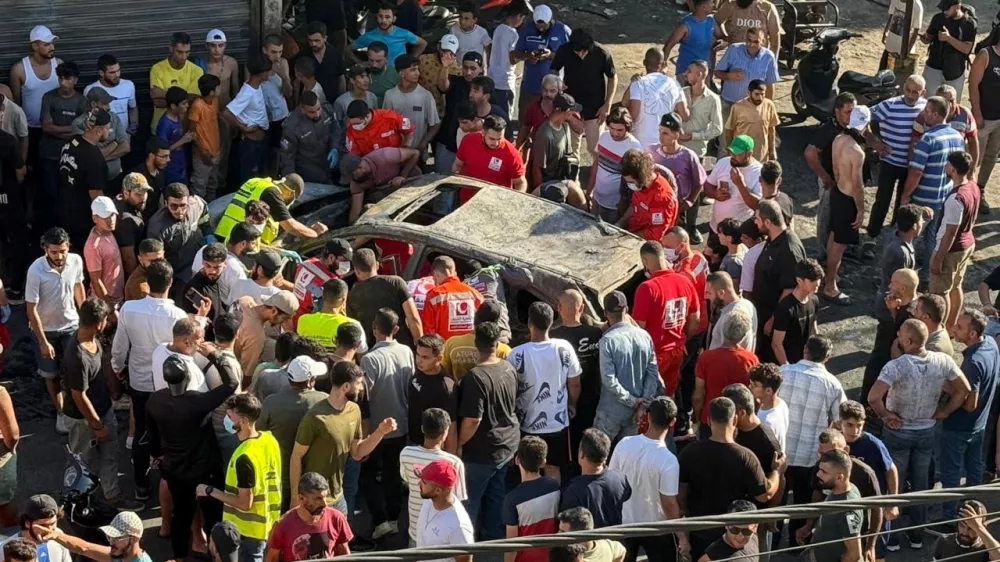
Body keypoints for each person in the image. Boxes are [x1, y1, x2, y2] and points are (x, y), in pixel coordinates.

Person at [868, 319, 970, 548]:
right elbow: (964, 389)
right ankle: (916, 535)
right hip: (926, 430)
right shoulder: (943, 361)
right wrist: (945, 411)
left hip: (898, 432)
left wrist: (885, 415)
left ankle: (891, 537)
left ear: (908, 340)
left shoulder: (896, 366)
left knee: (895, 486)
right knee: (922, 484)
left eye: (901, 333)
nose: (897, 334)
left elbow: (873, 397)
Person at [113, 259, 208, 498]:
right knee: (168, 434)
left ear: (147, 282)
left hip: (139, 381)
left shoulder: (128, 309)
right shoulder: (177, 315)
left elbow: (119, 348)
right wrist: (202, 319)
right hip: (168, 385)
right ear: (171, 284)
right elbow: (191, 344)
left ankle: (141, 486)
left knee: (142, 432)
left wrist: (118, 369)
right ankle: (170, 485)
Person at [147, 345, 239, 560]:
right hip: (205, 470)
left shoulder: (155, 400)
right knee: (213, 516)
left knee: (181, 515)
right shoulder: (197, 401)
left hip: (176, 470)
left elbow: (151, 438)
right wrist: (214, 355)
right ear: (188, 378)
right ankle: (219, 555)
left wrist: (159, 456)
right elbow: (232, 383)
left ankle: (179, 557)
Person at [290, 361, 398, 515]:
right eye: (359, 383)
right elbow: (296, 456)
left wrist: (380, 432)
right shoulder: (315, 417)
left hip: (339, 499)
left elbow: (357, 453)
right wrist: (296, 497)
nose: (361, 388)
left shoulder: (354, 410)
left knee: (344, 539)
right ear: (346, 387)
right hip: (313, 502)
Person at [63, 297, 135, 509]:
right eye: (106, 319)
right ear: (98, 323)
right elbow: (78, 395)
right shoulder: (77, 355)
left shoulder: (93, 340)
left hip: (104, 410)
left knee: (109, 456)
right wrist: (97, 425)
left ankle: (112, 496)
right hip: (84, 420)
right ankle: (76, 501)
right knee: (82, 462)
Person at [678, 397, 771, 560]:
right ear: (735, 419)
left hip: (699, 532)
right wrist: (777, 472)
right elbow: (764, 495)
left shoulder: (690, 452)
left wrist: (686, 515)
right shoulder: (746, 457)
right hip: (734, 537)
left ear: (708, 420)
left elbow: (681, 493)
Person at [196, 394, 281, 562]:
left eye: (229, 416)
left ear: (242, 421)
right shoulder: (268, 440)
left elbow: (244, 503)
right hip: (265, 524)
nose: (226, 420)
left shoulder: (245, 457)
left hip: (246, 532)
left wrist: (210, 491)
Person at [779, 336, 847, 541]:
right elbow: (839, 421)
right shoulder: (833, 385)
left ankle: (770, 542)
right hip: (810, 456)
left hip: (781, 450)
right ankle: (797, 542)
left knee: (777, 498)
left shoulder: (783, 372)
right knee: (803, 501)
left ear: (805, 350)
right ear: (827, 358)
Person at [458, 321, 520, 540]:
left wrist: (458, 444)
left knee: (469, 501)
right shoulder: (509, 368)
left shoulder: (475, 377)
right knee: (496, 495)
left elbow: (473, 420)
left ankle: (466, 544)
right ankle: (492, 541)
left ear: (476, 343)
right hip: (507, 444)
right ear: (497, 343)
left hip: (481, 451)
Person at [938, 310, 999, 526]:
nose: (954, 329)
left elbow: (969, 403)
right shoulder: (991, 344)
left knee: (952, 475)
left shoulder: (972, 362)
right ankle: (974, 512)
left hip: (960, 427)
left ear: (973, 334)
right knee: (974, 470)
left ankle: (948, 520)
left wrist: (945, 408)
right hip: (980, 425)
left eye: (960, 327)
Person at [606, 397, 685, 561]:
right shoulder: (668, 460)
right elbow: (669, 504)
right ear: (673, 422)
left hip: (625, 524)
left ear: (648, 417)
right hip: (657, 528)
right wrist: (682, 536)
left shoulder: (624, 444)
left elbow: (611, 481)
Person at [509, 303, 581, 482]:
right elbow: (574, 383)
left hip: (528, 424)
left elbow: (511, 390)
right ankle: (554, 505)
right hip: (557, 422)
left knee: (528, 469)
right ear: (551, 323)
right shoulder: (564, 347)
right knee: (554, 468)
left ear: (529, 324)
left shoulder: (516, 354)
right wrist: (572, 404)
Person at [360, 308, 414, 540]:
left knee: (369, 474)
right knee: (393, 473)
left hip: (375, 429)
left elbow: (364, 396)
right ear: (396, 330)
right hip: (401, 424)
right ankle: (393, 517)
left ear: (373, 329)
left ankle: (380, 521)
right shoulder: (407, 352)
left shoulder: (369, 359)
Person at [26, 227, 85, 433]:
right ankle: (60, 412)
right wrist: (43, 341)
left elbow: (78, 287)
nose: (59, 256)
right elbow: (31, 308)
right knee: (50, 373)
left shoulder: (76, 261)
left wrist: (84, 318)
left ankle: (75, 408)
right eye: (54, 252)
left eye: (63, 251)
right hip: (46, 330)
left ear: (68, 247)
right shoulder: (35, 270)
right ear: (45, 249)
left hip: (70, 325)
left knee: (73, 369)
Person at [904, 97, 967, 270]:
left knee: (908, 239)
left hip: (922, 198)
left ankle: (900, 277)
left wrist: (905, 195)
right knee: (932, 238)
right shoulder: (957, 137)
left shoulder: (928, 139)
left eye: (927, 110)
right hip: (943, 197)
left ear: (936, 115)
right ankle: (925, 276)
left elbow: (916, 172)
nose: (924, 113)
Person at [259, 355, 328, 507]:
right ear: (310, 380)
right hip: (314, 479)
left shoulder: (271, 402)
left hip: (280, 477)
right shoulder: (324, 401)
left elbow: (258, 434)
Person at [633, 241, 700, 396]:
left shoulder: (647, 288)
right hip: (677, 351)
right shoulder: (685, 281)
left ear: (644, 261)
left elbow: (639, 328)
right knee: (669, 393)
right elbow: (695, 319)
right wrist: (682, 339)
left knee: (648, 396)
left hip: (655, 355)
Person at [595, 291, 662, 443]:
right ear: (627, 309)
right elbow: (652, 374)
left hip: (610, 412)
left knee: (596, 455)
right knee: (627, 460)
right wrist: (643, 405)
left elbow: (608, 379)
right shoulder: (644, 336)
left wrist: (632, 401)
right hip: (635, 413)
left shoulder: (607, 340)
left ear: (606, 313)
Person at [837, 400, 899, 556]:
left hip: (873, 507)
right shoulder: (836, 441)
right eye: (850, 425)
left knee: (875, 552)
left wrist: (892, 502)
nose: (855, 430)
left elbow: (891, 470)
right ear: (840, 423)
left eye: (859, 425)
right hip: (848, 506)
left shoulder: (873, 444)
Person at [868, 76, 927, 239]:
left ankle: (897, 233)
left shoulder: (925, 107)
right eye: (907, 90)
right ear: (903, 88)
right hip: (889, 162)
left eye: (915, 92)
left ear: (923, 92)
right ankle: (872, 235)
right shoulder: (889, 105)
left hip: (910, 165)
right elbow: (862, 117)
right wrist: (874, 142)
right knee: (882, 200)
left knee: (903, 201)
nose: (910, 95)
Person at [751, 199, 807, 363]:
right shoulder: (773, 239)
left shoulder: (788, 250)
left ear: (768, 222)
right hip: (763, 311)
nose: (755, 222)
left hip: (775, 319)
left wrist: (773, 319)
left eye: (757, 219)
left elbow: (790, 289)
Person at [400, 408, 467, 545]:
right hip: (442, 532)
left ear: (422, 429)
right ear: (445, 433)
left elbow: (406, 478)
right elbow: (457, 498)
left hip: (415, 529)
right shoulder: (453, 463)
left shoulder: (406, 454)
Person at [548, 29, 616, 160]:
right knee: (572, 148)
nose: (579, 54)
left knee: (595, 148)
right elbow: (554, 69)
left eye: (582, 51)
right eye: (576, 51)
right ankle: (574, 178)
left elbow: (613, 77)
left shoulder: (601, 53)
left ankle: (598, 177)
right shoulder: (564, 50)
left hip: (595, 107)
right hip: (571, 105)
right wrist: (557, 84)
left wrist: (607, 104)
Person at [930, 151, 979, 328]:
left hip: (952, 249)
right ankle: (950, 327)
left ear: (953, 169)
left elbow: (950, 232)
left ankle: (939, 330)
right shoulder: (973, 186)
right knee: (955, 286)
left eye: (947, 164)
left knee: (940, 292)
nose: (945, 166)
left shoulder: (955, 199)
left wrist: (938, 258)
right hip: (967, 244)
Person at [804, 93, 855, 261]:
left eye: (853, 111)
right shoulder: (827, 129)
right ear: (837, 111)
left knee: (843, 215)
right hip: (830, 180)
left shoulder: (854, 124)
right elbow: (810, 153)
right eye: (848, 112)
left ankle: (840, 245)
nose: (851, 115)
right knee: (826, 216)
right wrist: (824, 177)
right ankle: (823, 252)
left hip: (847, 180)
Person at [40, 61, 88, 230]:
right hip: (50, 154)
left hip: (72, 156)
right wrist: (72, 129)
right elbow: (46, 127)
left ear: (75, 80)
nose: (63, 83)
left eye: (67, 79)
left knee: (70, 194)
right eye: (60, 78)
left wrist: (59, 130)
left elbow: (83, 131)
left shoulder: (82, 101)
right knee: (50, 194)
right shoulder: (49, 97)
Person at [215, 174, 328, 245]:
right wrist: (315, 233)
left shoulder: (257, 182)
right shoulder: (272, 193)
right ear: (290, 193)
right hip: (239, 242)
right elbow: (291, 226)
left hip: (223, 232)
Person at [56, 106, 111, 252]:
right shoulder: (95, 160)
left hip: (62, 208)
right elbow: (96, 197)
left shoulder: (70, 143)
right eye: (107, 128)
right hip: (81, 218)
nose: (109, 131)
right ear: (98, 130)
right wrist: (104, 222)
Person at [794, 450, 864, 562]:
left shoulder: (848, 511)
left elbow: (854, 554)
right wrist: (809, 527)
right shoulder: (837, 490)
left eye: (824, 472)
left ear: (839, 478)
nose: (818, 474)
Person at [693, 312, 758, 430]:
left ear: (722, 330)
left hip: (710, 418)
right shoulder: (751, 360)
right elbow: (754, 393)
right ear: (743, 336)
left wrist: (697, 418)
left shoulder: (706, 358)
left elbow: (698, 394)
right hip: (737, 421)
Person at [265, 473, 351, 562]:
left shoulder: (336, 518)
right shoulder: (283, 525)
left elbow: (344, 554)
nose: (324, 503)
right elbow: (272, 559)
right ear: (301, 498)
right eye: (318, 498)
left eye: (325, 497)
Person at [501, 436, 561, 562]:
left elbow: (511, 545)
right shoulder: (554, 486)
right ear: (543, 462)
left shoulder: (512, 499)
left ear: (517, 460)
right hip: (552, 557)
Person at [347, 248, 423, 347]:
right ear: (377, 265)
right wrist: (419, 345)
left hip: (374, 351)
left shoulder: (352, 295)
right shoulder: (396, 282)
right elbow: (413, 318)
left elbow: (355, 328)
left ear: (357, 271)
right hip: (403, 347)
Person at [649, 113, 706, 240]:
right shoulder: (651, 151)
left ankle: (691, 228)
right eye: (660, 131)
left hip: (680, 206)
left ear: (676, 135)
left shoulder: (688, 156)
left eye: (666, 133)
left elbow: (699, 182)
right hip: (657, 205)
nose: (661, 136)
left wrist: (690, 201)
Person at [146, 182, 211, 291]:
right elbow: (157, 261)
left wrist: (208, 233)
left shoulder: (196, 204)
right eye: (174, 206)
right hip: (178, 275)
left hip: (200, 265)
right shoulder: (157, 227)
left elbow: (204, 214)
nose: (179, 211)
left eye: (183, 205)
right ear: (166, 203)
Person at [10, 25, 62, 161]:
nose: (52, 48)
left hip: (56, 129)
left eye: (52, 43)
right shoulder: (20, 69)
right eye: (46, 44)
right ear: (34, 46)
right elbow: (16, 102)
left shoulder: (59, 65)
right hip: (30, 129)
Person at [560, 428, 630, 527]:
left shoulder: (573, 491)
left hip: (589, 542)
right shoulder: (619, 478)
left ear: (582, 454)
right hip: (615, 541)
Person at [513, 5, 572, 118]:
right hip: (530, 85)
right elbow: (516, 53)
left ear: (550, 20)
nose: (541, 29)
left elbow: (571, 55)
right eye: (538, 26)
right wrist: (528, 55)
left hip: (553, 88)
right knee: (525, 118)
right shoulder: (526, 28)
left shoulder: (562, 30)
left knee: (549, 120)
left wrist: (551, 55)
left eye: (544, 26)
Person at [383, 54, 441, 159]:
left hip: (418, 153)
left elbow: (435, 125)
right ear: (401, 73)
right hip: (396, 153)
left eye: (418, 69)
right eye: (413, 70)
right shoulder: (390, 95)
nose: (418, 73)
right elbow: (386, 124)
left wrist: (422, 146)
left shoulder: (426, 96)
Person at [414, 458, 475, 558]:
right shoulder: (429, 499)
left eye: (424, 482)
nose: (418, 484)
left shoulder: (459, 527)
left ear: (438, 490)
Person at [714, 28, 779, 120]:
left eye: (756, 42)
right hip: (729, 104)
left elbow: (770, 84)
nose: (751, 44)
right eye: (749, 40)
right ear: (745, 38)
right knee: (726, 134)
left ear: (763, 42)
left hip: (752, 106)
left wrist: (767, 108)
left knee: (747, 134)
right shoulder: (734, 50)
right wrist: (729, 76)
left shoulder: (768, 57)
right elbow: (717, 72)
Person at [225, 57, 271, 183]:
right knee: (250, 180)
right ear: (261, 74)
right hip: (251, 145)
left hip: (261, 140)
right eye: (268, 71)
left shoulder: (257, 87)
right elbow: (227, 113)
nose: (269, 74)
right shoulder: (247, 92)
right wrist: (243, 127)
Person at [38, 510, 151, 562]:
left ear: (134, 538)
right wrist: (55, 535)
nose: (111, 542)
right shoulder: (120, 554)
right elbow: (84, 548)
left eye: (117, 538)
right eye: (110, 537)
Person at [71, 88, 129, 185]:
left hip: (115, 178)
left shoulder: (113, 117)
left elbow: (126, 147)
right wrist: (114, 144)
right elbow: (88, 155)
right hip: (91, 181)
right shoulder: (78, 124)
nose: (109, 107)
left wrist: (100, 159)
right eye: (105, 103)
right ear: (94, 104)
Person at [920, 0, 976, 101]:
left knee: (951, 105)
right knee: (927, 100)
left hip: (955, 71)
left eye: (947, 8)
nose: (945, 11)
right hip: (934, 66)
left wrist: (948, 38)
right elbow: (930, 35)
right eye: (943, 8)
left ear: (957, 6)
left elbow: (967, 49)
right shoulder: (938, 18)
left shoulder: (968, 24)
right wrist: (926, 38)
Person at [454, 115, 527, 191]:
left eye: (499, 139)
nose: (496, 143)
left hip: (494, 200)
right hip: (466, 197)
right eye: (492, 139)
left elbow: (520, 182)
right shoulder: (468, 140)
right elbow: (458, 165)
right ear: (483, 132)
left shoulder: (511, 154)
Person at [618, 149, 678, 241]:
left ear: (643, 177)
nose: (629, 185)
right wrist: (619, 224)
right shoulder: (641, 185)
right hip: (633, 233)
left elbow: (656, 234)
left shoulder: (661, 198)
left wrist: (628, 238)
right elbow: (634, 207)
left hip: (646, 246)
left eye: (631, 182)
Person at [233, 291, 298, 376]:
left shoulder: (245, 300)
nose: (284, 322)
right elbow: (246, 373)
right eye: (285, 318)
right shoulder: (256, 336)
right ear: (274, 310)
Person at [193, 223, 256, 308]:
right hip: (216, 310)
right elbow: (236, 302)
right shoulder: (236, 270)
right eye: (253, 243)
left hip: (193, 299)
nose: (254, 248)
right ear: (243, 244)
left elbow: (193, 272)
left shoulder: (204, 249)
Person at [771, 259, 822, 365]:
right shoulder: (786, 308)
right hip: (790, 362)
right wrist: (787, 368)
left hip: (807, 361)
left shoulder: (814, 300)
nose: (817, 283)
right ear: (799, 280)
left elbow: (813, 326)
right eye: (812, 280)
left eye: (818, 278)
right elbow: (776, 344)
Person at [422, 256, 484, 341]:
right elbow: (483, 322)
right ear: (454, 272)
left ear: (436, 274)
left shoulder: (434, 295)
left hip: (444, 349)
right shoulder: (476, 294)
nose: (434, 282)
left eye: (434, 278)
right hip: (470, 348)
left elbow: (428, 330)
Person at [297, 280, 368, 352]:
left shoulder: (303, 320)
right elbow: (361, 352)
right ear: (343, 300)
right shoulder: (353, 325)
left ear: (322, 296)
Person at [150, 32, 203, 127]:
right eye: (179, 52)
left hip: (184, 127)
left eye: (187, 52)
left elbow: (192, 100)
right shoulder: (157, 69)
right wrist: (183, 100)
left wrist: (164, 94)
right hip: (160, 127)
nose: (184, 57)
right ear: (171, 49)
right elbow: (157, 102)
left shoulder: (197, 71)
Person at [971, 39, 1000, 210]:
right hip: (984, 117)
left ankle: (980, 191)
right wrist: (977, 113)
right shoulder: (986, 55)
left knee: (991, 157)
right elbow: (973, 84)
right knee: (976, 157)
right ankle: (968, 191)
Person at [530, 92, 582, 188]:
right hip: (548, 184)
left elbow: (568, 156)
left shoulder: (565, 127)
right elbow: (537, 168)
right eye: (572, 111)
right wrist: (540, 192)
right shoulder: (544, 134)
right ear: (566, 112)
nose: (573, 113)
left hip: (562, 179)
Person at [352, 3, 427, 67]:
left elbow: (423, 43)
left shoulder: (403, 33)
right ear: (377, 17)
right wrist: (360, 63)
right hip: (378, 76)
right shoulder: (369, 36)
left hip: (398, 76)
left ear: (394, 19)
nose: (383, 20)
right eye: (380, 16)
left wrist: (410, 60)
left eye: (387, 17)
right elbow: (347, 50)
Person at [186, 74, 222, 200]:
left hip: (215, 152)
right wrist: (203, 151)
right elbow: (192, 132)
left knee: (212, 185)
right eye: (218, 87)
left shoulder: (215, 101)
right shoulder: (197, 105)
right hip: (202, 155)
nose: (220, 89)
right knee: (199, 188)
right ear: (212, 91)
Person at [488, 4, 528, 116]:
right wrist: (526, 56)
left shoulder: (498, 29)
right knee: (505, 117)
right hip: (505, 81)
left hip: (492, 78)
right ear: (518, 16)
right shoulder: (513, 34)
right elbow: (512, 59)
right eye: (522, 18)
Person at [724, 80, 777, 161]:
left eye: (762, 94)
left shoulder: (769, 105)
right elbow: (729, 130)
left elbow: (771, 130)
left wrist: (772, 151)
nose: (760, 98)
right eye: (757, 94)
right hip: (741, 153)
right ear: (749, 93)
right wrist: (730, 150)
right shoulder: (738, 107)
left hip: (761, 154)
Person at [84, 197, 124, 305]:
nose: (111, 220)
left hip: (118, 299)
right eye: (105, 217)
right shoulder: (93, 246)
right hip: (105, 302)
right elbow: (95, 280)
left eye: (112, 215)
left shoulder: (109, 232)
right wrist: (108, 308)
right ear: (95, 218)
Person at [663, 0, 716, 83]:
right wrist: (663, 64)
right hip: (685, 73)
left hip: (703, 74)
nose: (714, 4)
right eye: (711, 2)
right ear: (704, 7)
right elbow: (669, 45)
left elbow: (722, 37)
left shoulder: (711, 21)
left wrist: (724, 42)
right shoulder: (685, 25)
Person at [680, 61, 723, 160]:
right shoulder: (681, 93)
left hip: (696, 152)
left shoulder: (713, 99)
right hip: (677, 148)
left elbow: (717, 129)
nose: (685, 73)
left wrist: (694, 136)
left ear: (699, 75)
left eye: (689, 71)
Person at [114, 173, 153, 277]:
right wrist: (137, 281)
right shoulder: (126, 220)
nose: (143, 198)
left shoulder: (121, 200)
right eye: (138, 194)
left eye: (145, 192)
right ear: (126, 193)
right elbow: (128, 258)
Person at [931, 501, 1000, 560]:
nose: (965, 532)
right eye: (962, 525)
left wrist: (978, 527)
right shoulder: (943, 541)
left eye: (971, 528)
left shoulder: (987, 547)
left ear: (983, 527)